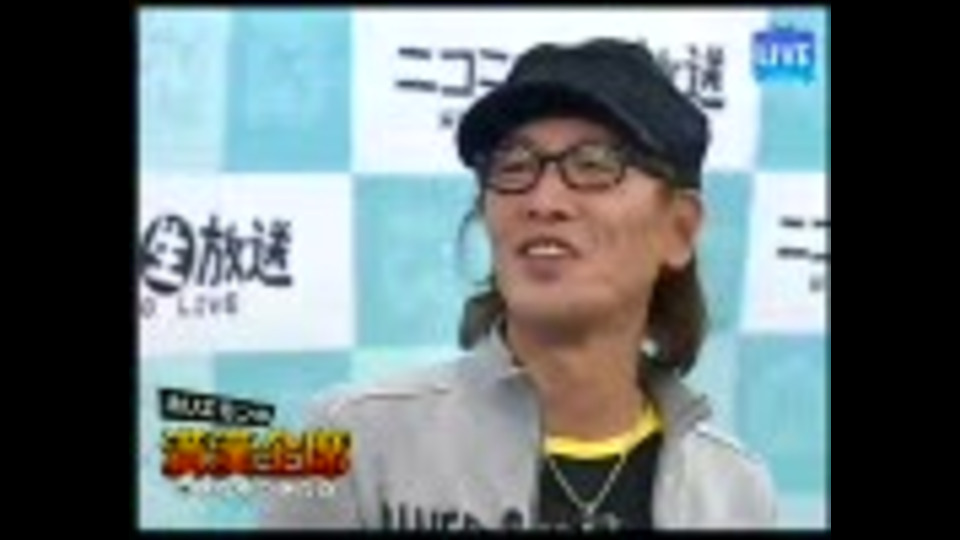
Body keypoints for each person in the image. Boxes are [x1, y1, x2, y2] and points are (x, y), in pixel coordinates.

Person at [260, 37, 777, 531]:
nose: (543, 201)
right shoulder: (356, 441)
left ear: (679, 229)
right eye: (514, 165)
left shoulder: (733, 492)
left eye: (593, 164)